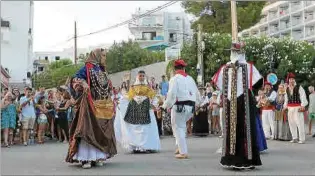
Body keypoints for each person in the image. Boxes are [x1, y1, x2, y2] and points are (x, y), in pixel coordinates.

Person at [212, 42, 262, 170]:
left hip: (230, 102)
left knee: (232, 129)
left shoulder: (224, 68)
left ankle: (232, 158)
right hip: (244, 101)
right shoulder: (249, 67)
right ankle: (247, 159)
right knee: (246, 129)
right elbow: (258, 83)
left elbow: (216, 82)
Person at [65, 48, 117, 169]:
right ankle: (85, 158)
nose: (105, 58)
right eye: (103, 55)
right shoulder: (87, 68)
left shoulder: (102, 70)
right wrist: (83, 83)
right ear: (97, 56)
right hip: (90, 103)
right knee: (87, 129)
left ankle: (98, 156)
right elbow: (75, 78)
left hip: (103, 104)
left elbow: (107, 86)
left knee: (100, 130)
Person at [162, 59, 200, 159]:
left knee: (178, 127)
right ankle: (179, 146)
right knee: (180, 126)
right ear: (184, 68)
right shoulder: (190, 78)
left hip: (179, 106)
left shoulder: (175, 79)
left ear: (175, 69)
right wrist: (198, 104)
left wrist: (165, 105)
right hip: (190, 107)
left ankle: (183, 152)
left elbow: (171, 94)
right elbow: (197, 93)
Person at [115, 70, 161, 153]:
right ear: (137, 76)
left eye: (143, 76)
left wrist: (155, 106)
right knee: (134, 127)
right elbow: (129, 97)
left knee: (146, 128)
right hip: (134, 109)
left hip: (146, 108)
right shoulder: (133, 87)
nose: (142, 77)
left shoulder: (148, 87)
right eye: (140, 76)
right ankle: (136, 146)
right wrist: (121, 102)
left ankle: (146, 146)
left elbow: (153, 97)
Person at [283, 72, 308, 144]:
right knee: (291, 123)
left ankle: (302, 139)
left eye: (293, 79)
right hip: (290, 108)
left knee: (299, 123)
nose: (291, 80)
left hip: (297, 107)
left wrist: (303, 105)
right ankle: (294, 138)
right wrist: (285, 106)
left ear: (294, 80)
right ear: (288, 80)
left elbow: (303, 96)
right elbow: (286, 99)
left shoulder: (299, 87)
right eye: (290, 79)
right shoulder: (287, 88)